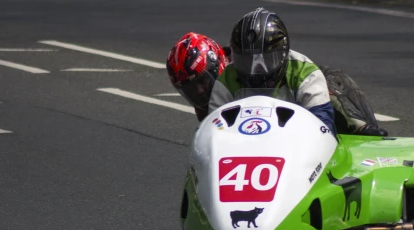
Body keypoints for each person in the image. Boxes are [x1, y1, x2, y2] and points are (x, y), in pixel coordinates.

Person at [166, 9, 387, 136]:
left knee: (326, 82)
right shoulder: (225, 84)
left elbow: (321, 128)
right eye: (189, 89)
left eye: (202, 81)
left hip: (297, 130)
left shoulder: (301, 71)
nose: (200, 90)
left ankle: (359, 125)